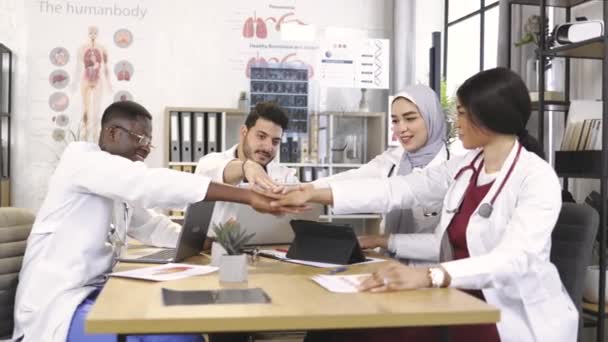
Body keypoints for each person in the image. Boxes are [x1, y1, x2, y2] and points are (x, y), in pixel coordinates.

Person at [272, 68, 577, 341]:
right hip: (451, 296)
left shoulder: (536, 177)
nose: (455, 122)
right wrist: (311, 192)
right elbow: (400, 189)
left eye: (460, 113)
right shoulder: (464, 167)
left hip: (503, 312)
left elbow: (514, 259)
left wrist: (429, 275)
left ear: (486, 117)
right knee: (345, 331)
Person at [12, 101, 296, 342]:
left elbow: (150, 225)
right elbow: (149, 184)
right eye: (141, 140)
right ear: (111, 132)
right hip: (57, 307)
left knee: (183, 325)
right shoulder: (82, 161)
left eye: (149, 141)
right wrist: (246, 197)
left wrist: (205, 243)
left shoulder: (111, 180)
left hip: (91, 293)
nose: (147, 149)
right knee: (178, 335)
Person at [310, 84, 460, 265]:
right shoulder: (391, 159)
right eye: (395, 121)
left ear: (432, 118)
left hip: (430, 273)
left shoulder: (455, 169)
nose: (401, 128)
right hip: (387, 264)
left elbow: (449, 244)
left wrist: (382, 240)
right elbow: (352, 180)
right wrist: (303, 189)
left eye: (410, 118)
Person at [195, 102, 299, 231]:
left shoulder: (285, 176)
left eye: (275, 141)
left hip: (267, 248)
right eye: (261, 136)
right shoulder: (211, 162)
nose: (268, 147)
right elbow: (212, 170)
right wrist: (247, 167)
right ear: (244, 132)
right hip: (212, 249)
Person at [74, 26, 111, 142]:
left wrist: (109, 83)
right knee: (85, 109)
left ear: (98, 34)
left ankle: (95, 138)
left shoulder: (103, 49)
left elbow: (105, 67)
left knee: (96, 110)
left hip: (98, 79)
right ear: (88, 33)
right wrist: (74, 82)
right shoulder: (82, 49)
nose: (93, 35)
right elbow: (78, 67)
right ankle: (84, 137)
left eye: (95, 33)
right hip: (85, 78)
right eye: (91, 32)